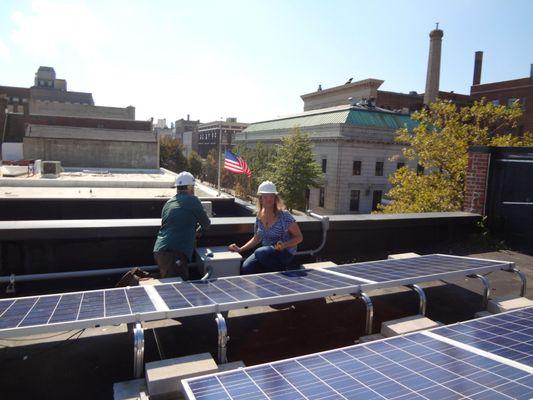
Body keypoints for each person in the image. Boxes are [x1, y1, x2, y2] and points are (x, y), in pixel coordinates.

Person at [228, 181, 303, 274]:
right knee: (246, 267)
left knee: (260, 253)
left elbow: (299, 237)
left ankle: (284, 271)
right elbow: (257, 237)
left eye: (271, 196)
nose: (269, 199)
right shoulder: (259, 215)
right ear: (260, 199)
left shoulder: (284, 216)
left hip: (284, 252)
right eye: (265, 197)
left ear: (275, 199)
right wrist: (240, 249)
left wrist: (284, 245)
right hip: (266, 253)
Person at [153, 171, 210, 279]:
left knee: (172, 286)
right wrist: (198, 232)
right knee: (177, 290)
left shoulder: (169, 203)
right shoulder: (193, 200)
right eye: (193, 187)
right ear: (189, 187)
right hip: (174, 254)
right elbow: (206, 224)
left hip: (160, 251)